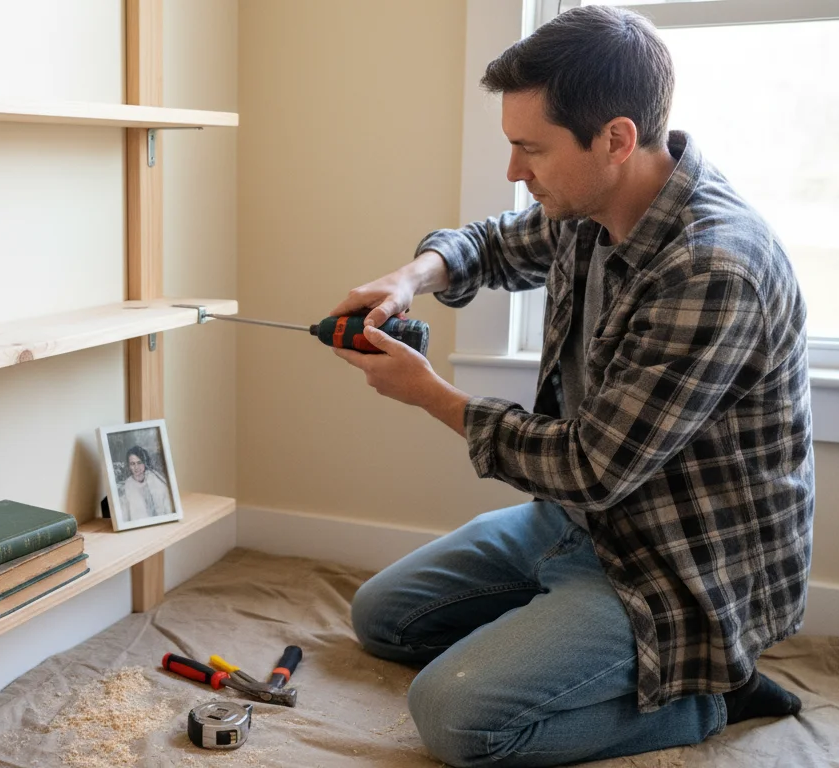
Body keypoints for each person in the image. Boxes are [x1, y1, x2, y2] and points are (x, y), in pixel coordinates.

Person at [332, 6, 813, 767]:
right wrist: (410, 276)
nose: (515, 171)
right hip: (580, 521)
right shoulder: (590, 205)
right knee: (383, 619)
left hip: (677, 564)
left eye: (531, 149)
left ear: (616, 139)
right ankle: (564, 628)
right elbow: (490, 244)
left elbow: (594, 465)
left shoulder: (713, 268)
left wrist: (428, 393)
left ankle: (712, 693)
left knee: (455, 717)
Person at [116, 445, 173, 522]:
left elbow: (167, 502)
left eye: (139, 462)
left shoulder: (154, 477)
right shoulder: (128, 485)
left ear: (145, 463)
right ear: (129, 466)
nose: (136, 467)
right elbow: (127, 515)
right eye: (132, 464)